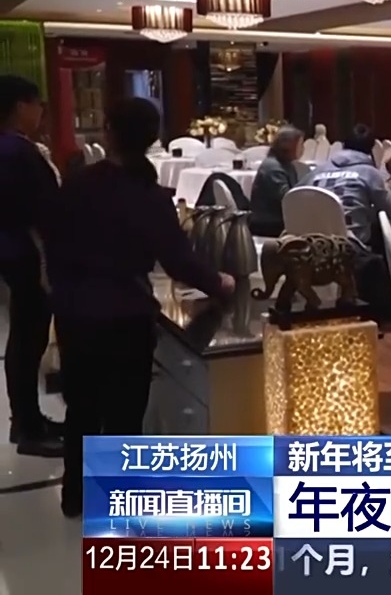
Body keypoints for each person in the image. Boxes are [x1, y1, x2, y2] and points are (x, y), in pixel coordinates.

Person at [42, 97, 235, 516]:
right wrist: (220, 283)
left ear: (108, 131)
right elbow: (179, 261)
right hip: (126, 315)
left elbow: (52, 246)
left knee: (82, 409)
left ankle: (75, 495)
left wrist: (63, 291)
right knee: (124, 413)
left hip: (77, 312)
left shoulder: (77, 185)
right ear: (151, 138)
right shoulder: (149, 195)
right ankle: (116, 499)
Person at [0, 75, 62, 457]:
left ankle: (28, 419)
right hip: (28, 253)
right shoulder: (18, 151)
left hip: (14, 251)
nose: (41, 112)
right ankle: (27, 427)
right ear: (21, 106)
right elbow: (42, 209)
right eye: (38, 104)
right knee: (28, 339)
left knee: (24, 338)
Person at [299, 123, 391, 323]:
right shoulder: (370, 173)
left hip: (311, 241)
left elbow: (295, 196)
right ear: (371, 150)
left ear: (343, 146)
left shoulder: (317, 171)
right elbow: (389, 210)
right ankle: (388, 312)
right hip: (350, 244)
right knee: (388, 238)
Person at [248, 125, 304, 237]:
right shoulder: (273, 168)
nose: (303, 149)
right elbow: (287, 199)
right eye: (300, 144)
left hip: (279, 219)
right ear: (289, 146)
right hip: (269, 224)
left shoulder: (286, 164)